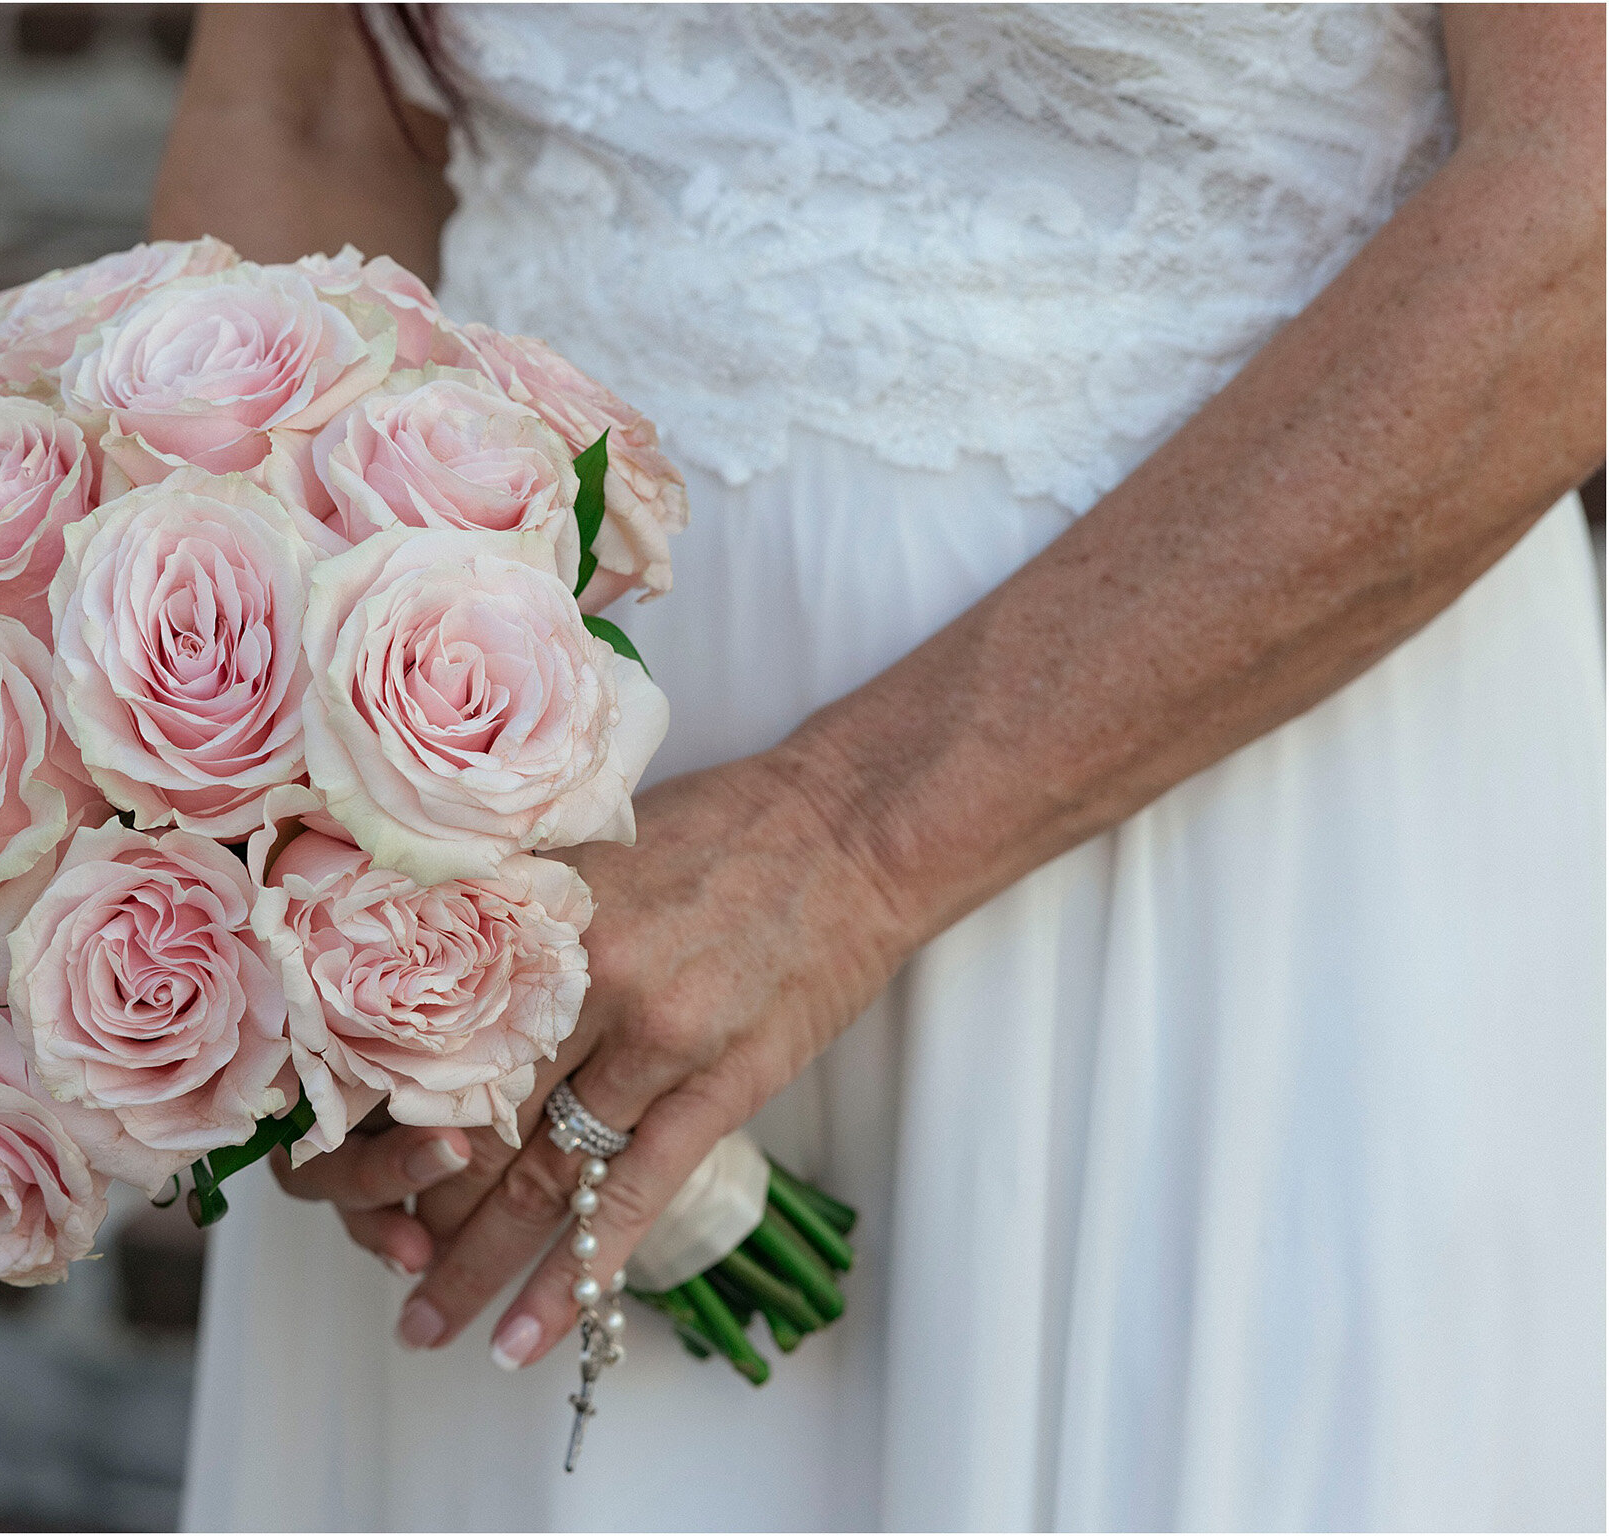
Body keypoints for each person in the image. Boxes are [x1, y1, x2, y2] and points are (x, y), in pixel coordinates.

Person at [152, 6, 1605, 1529]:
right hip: (501, 867)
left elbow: (1582, 210)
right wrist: (305, 846)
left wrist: (844, 844)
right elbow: (305, 120)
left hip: (1219, 839)